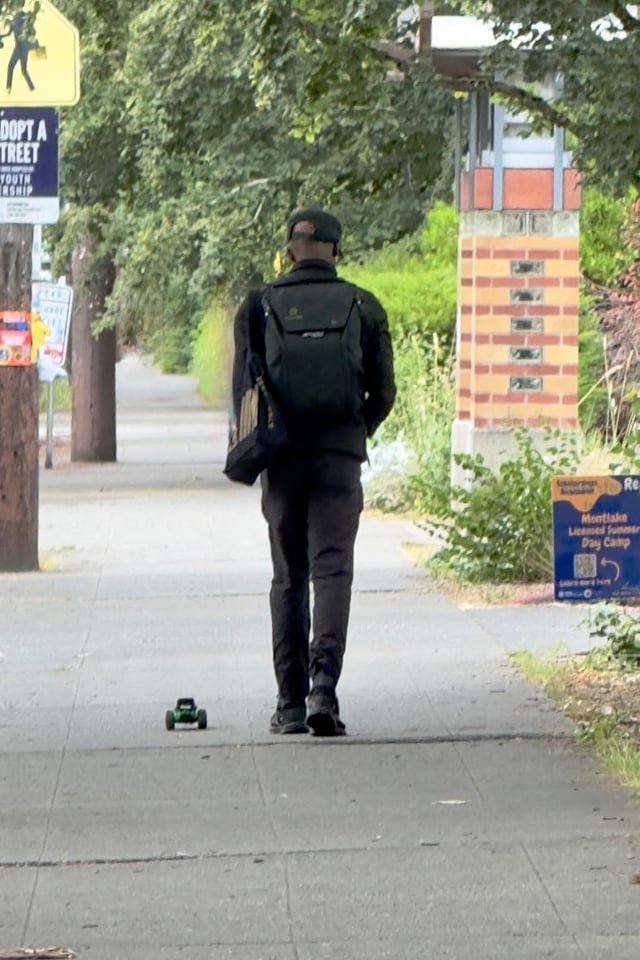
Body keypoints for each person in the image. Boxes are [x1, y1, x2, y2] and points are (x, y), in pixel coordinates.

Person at [231, 207, 396, 736]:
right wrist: (354, 431)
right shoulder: (363, 305)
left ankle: (290, 703)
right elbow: (384, 392)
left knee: (289, 576)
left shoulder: (258, 306)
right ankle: (324, 689)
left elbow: (243, 394)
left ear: (289, 250)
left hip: (282, 459)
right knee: (332, 571)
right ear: (336, 251)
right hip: (339, 457)